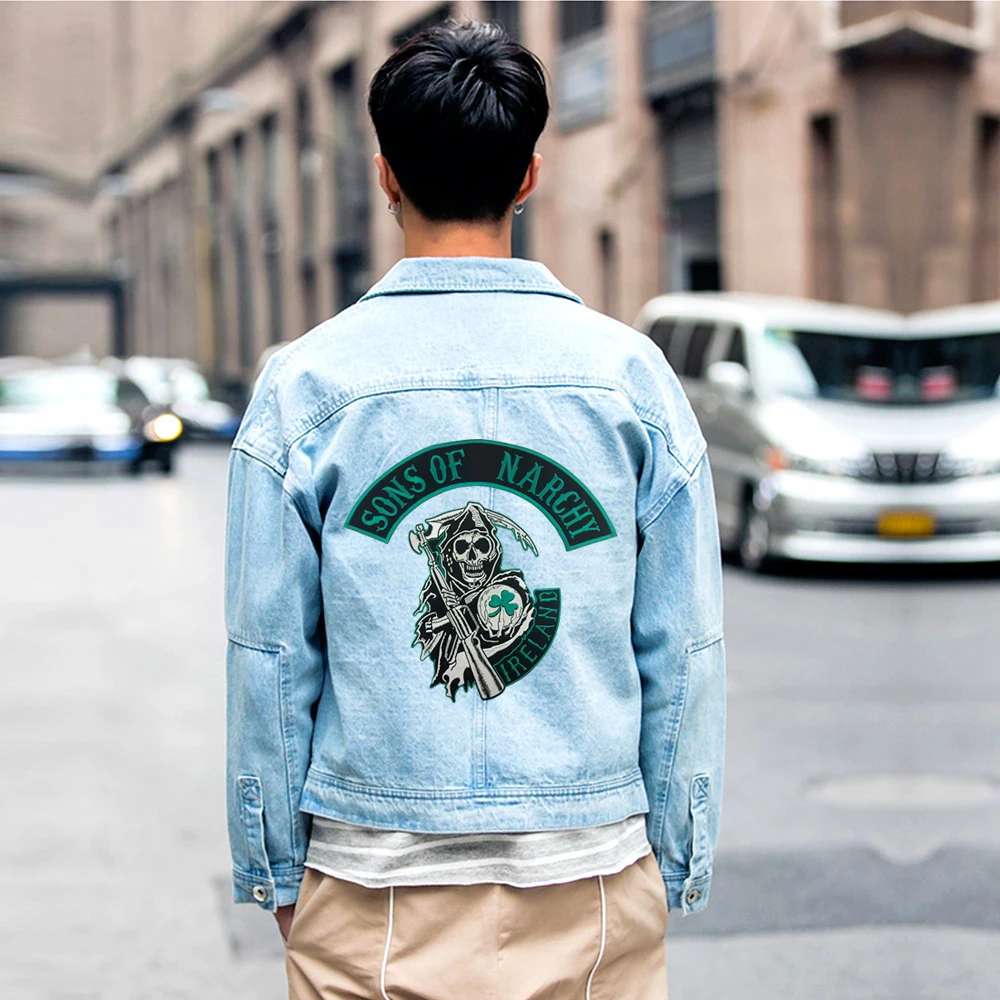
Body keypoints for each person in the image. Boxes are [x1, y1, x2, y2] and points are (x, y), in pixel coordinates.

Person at [225, 21, 725, 1000]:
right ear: (529, 175)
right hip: (589, 878)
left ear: (385, 176)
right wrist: (675, 852)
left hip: (373, 888)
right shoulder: (630, 380)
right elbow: (684, 648)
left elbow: (270, 657)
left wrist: (277, 870)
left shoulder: (306, 386)